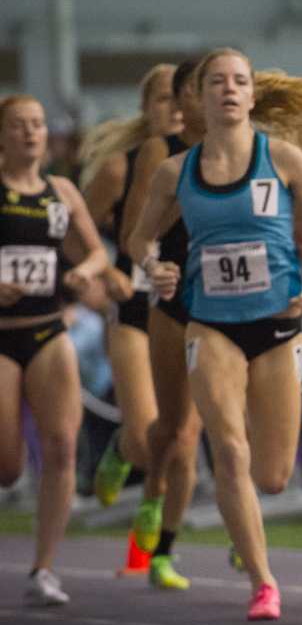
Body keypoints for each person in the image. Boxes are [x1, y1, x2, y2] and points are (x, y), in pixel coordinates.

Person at [128, 48, 302, 620]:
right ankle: (263, 582)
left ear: (253, 95)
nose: (229, 90)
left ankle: (244, 516)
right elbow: (137, 239)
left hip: (277, 322)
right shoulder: (176, 172)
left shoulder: (283, 158)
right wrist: (153, 267)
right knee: (228, 449)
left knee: (273, 476)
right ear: (199, 99)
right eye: (217, 82)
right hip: (211, 324)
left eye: (239, 82)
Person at [0, 94, 109, 605]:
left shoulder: (60, 192)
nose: (31, 133)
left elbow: (93, 253)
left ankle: (43, 569)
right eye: (20, 125)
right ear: (2, 134)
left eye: (38, 125)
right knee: (8, 466)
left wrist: (85, 272)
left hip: (48, 330)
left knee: (63, 447)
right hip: (1, 333)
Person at [115, 60, 205, 590]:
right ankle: (147, 483)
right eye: (173, 97)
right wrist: (151, 265)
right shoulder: (161, 153)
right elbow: (133, 233)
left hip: (222, 301)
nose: (177, 108)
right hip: (163, 296)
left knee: (193, 433)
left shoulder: (246, 148)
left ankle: (165, 551)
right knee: (168, 432)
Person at [79, 64, 183, 509]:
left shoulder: (212, 162)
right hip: (135, 309)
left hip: (189, 308)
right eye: (163, 98)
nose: (175, 108)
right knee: (145, 442)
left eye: (183, 97)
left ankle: (160, 531)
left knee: (180, 435)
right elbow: (74, 229)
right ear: (145, 108)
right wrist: (105, 274)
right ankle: (122, 448)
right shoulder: (119, 170)